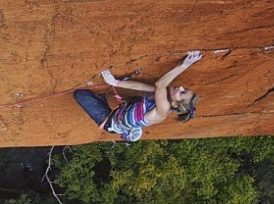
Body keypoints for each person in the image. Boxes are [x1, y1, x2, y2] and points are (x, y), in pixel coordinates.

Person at [74, 51, 202, 141]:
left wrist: (184, 65)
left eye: (182, 93)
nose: (180, 87)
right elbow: (141, 87)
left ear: (175, 104)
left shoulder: (163, 111)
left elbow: (159, 85)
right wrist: (116, 82)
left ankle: (103, 102)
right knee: (137, 98)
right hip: (121, 112)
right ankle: (103, 100)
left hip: (109, 121)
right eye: (185, 89)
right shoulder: (162, 94)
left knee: (81, 95)